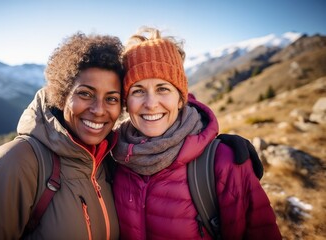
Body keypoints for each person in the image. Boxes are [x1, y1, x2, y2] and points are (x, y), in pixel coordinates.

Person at [0, 32, 124, 239]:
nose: (99, 110)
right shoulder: (16, 161)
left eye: (111, 98)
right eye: (85, 94)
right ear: (62, 96)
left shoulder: (110, 163)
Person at [111, 27, 282, 239]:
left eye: (163, 88)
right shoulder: (113, 159)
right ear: (126, 101)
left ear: (181, 97)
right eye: (138, 91)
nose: (151, 104)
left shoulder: (224, 162)